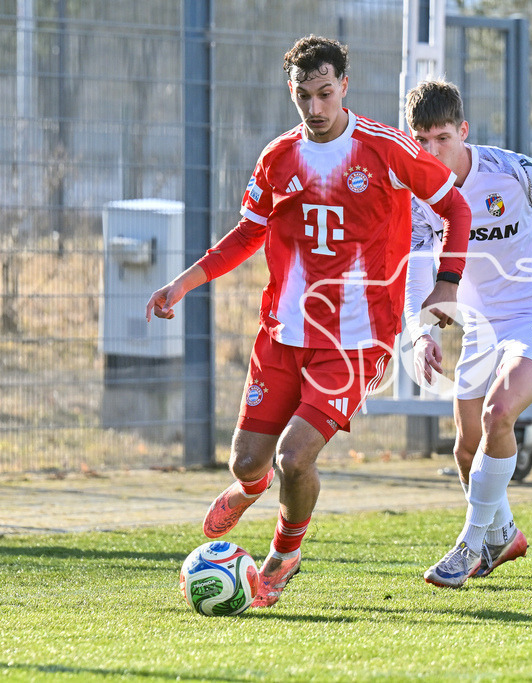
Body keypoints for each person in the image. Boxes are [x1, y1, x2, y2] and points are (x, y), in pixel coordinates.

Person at [146, 36, 471, 607]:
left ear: (344, 86)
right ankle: (251, 486)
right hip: (283, 331)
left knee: (295, 455)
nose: (316, 108)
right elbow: (248, 234)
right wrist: (184, 282)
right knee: (248, 461)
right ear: (291, 91)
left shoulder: (387, 149)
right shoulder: (277, 157)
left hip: (354, 338)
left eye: (325, 93)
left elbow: (456, 208)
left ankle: (285, 550)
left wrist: (448, 280)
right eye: (304, 96)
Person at [402, 80, 532, 588]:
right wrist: (420, 332)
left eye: (442, 138)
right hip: (480, 324)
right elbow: (415, 265)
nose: (431, 151)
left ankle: (468, 548)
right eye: (421, 140)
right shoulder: (416, 195)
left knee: (499, 413)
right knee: (465, 448)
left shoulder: (511, 173)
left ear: (463, 131)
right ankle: (504, 534)